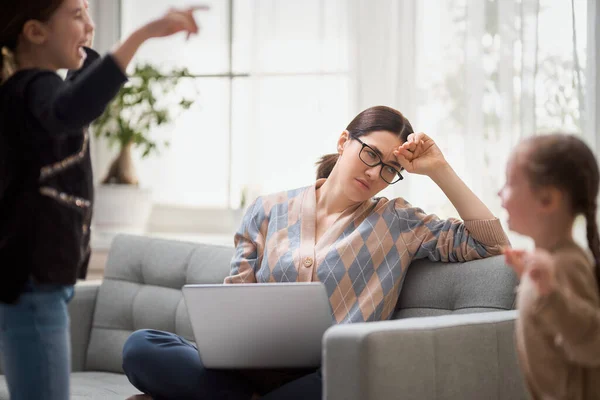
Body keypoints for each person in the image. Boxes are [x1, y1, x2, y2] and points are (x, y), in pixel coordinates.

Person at [122, 105, 511, 400]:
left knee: (352, 378)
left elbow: (492, 243)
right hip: (247, 369)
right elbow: (235, 297)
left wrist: (439, 168)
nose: (376, 173)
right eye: (370, 154)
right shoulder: (268, 209)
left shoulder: (399, 222)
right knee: (142, 347)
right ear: (344, 142)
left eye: (390, 168)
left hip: (325, 375)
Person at [0, 1, 205, 399]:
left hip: (32, 279)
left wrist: (85, 47)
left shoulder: (28, 94)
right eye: (77, 14)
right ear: (35, 32)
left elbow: (78, 95)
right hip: (33, 280)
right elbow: (74, 105)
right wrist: (141, 35)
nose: (90, 24)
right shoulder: (34, 87)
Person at [500, 133, 600, 399]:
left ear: (547, 200)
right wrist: (531, 279)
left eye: (510, 183)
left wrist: (550, 292)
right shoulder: (549, 264)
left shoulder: (568, 265)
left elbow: (592, 343)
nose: (500, 192)